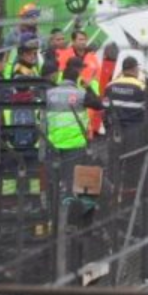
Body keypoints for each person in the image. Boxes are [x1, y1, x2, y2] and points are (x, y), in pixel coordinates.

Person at [46, 59, 104, 196]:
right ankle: (70, 204)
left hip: (53, 142)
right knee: (72, 178)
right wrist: (88, 87)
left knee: (53, 178)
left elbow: (39, 117)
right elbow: (99, 104)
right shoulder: (80, 94)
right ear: (76, 78)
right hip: (75, 143)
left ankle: (53, 206)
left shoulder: (49, 94)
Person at [103, 56, 147, 138]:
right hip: (135, 131)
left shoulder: (109, 86)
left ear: (123, 70)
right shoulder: (141, 86)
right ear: (135, 69)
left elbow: (104, 110)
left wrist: (108, 129)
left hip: (114, 131)